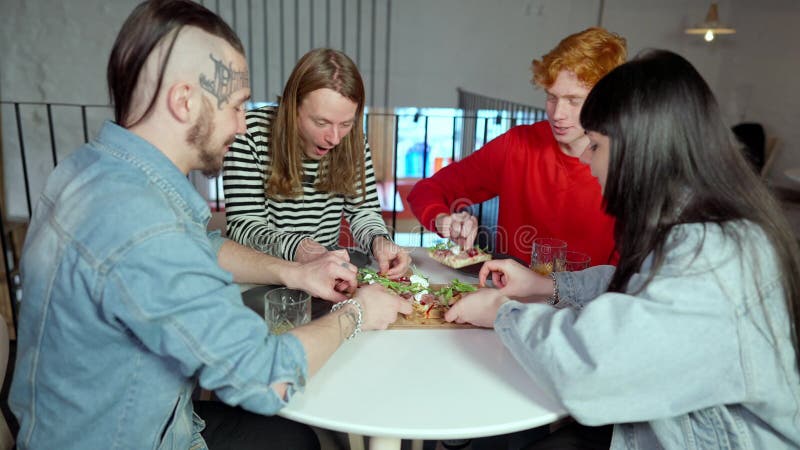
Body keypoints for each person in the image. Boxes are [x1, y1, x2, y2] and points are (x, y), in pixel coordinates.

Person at [8, 1, 411, 449]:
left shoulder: (97, 171)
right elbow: (265, 378)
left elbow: (202, 244)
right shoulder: (142, 224)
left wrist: (295, 272)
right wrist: (356, 315)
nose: (242, 125)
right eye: (237, 105)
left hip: (141, 418)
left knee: (294, 438)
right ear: (184, 101)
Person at [445, 50, 800, 449]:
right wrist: (545, 287)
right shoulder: (705, 223)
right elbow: (639, 288)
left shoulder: (714, 257)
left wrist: (502, 313)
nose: (584, 156)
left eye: (595, 144)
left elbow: (590, 371)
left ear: (640, 149)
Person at [407, 27, 626, 265]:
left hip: (591, 301)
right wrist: (442, 219)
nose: (558, 113)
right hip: (509, 298)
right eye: (552, 97)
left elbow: (624, 275)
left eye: (574, 101)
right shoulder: (517, 145)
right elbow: (426, 190)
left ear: (605, 101)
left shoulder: (629, 166)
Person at [223, 48, 410, 278]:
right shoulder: (249, 133)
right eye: (321, 122)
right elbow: (244, 227)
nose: (334, 138)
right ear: (293, 107)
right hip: (266, 274)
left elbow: (363, 211)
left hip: (327, 271)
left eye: (345, 124)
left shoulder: (354, 140)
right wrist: (301, 248)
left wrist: (378, 240)